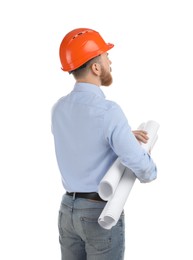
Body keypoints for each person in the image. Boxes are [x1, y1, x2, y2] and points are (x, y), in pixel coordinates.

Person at [51, 28, 157, 260]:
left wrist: (123, 133)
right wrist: (149, 165)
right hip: (99, 213)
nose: (110, 60)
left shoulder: (58, 109)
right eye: (106, 56)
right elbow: (143, 169)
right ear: (96, 68)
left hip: (67, 209)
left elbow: (81, 136)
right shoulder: (109, 111)